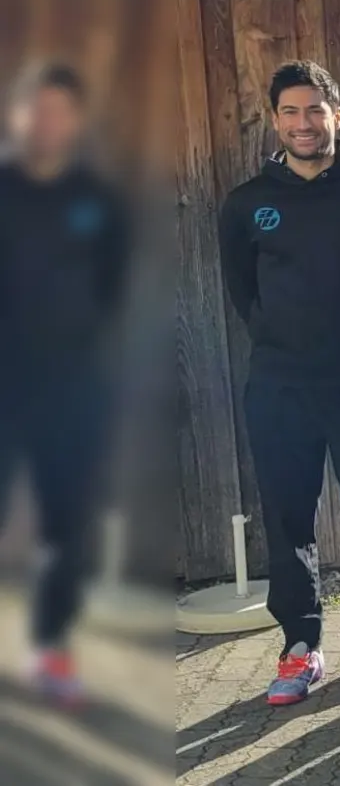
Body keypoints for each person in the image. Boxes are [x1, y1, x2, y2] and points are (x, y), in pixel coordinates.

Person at [217, 61, 340, 706]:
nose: (304, 124)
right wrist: (281, 339)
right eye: (291, 112)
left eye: (315, 111)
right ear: (276, 120)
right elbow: (244, 290)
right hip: (280, 385)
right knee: (288, 517)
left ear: (337, 115)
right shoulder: (248, 204)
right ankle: (300, 645)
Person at [0, 61, 129, 705]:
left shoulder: (95, 199)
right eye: (36, 109)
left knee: (67, 524)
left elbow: (111, 289)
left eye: (60, 111)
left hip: (73, 387)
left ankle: (52, 647)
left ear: (75, 121)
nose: (47, 122)